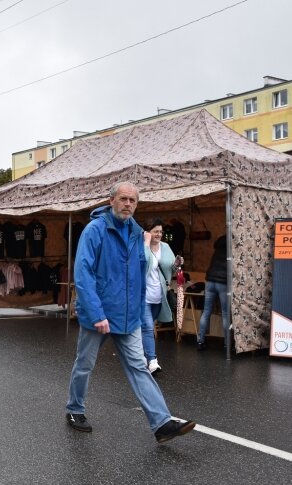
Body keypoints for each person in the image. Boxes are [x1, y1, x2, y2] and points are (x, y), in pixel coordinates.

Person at [65, 182, 195, 444]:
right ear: (111, 200)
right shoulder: (94, 230)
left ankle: (162, 423)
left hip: (128, 315)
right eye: (123, 199)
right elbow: (83, 274)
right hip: (99, 315)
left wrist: (139, 309)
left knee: (139, 366)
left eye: (132, 201)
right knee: (85, 364)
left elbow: (138, 274)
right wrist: (96, 312)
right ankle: (74, 409)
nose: (127, 204)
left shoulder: (137, 232)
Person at [141, 219, 182, 374]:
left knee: (146, 326)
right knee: (147, 327)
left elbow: (170, 269)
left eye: (160, 231)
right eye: (155, 231)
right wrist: (145, 243)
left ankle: (141, 356)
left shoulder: (165, 247)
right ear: (147, 232)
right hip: (143, 295)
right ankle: (152, 360)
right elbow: (142, 263)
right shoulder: (141, 246)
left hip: (160, 296)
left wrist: (177, 264)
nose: (159, 234)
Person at [197, 235, 229, 351]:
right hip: (223, 283)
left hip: (210, 281)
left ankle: (200, 341)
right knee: (225, 313)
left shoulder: (217, 249)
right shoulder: (232, 249)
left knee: (206, 312)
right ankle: (227, 344)